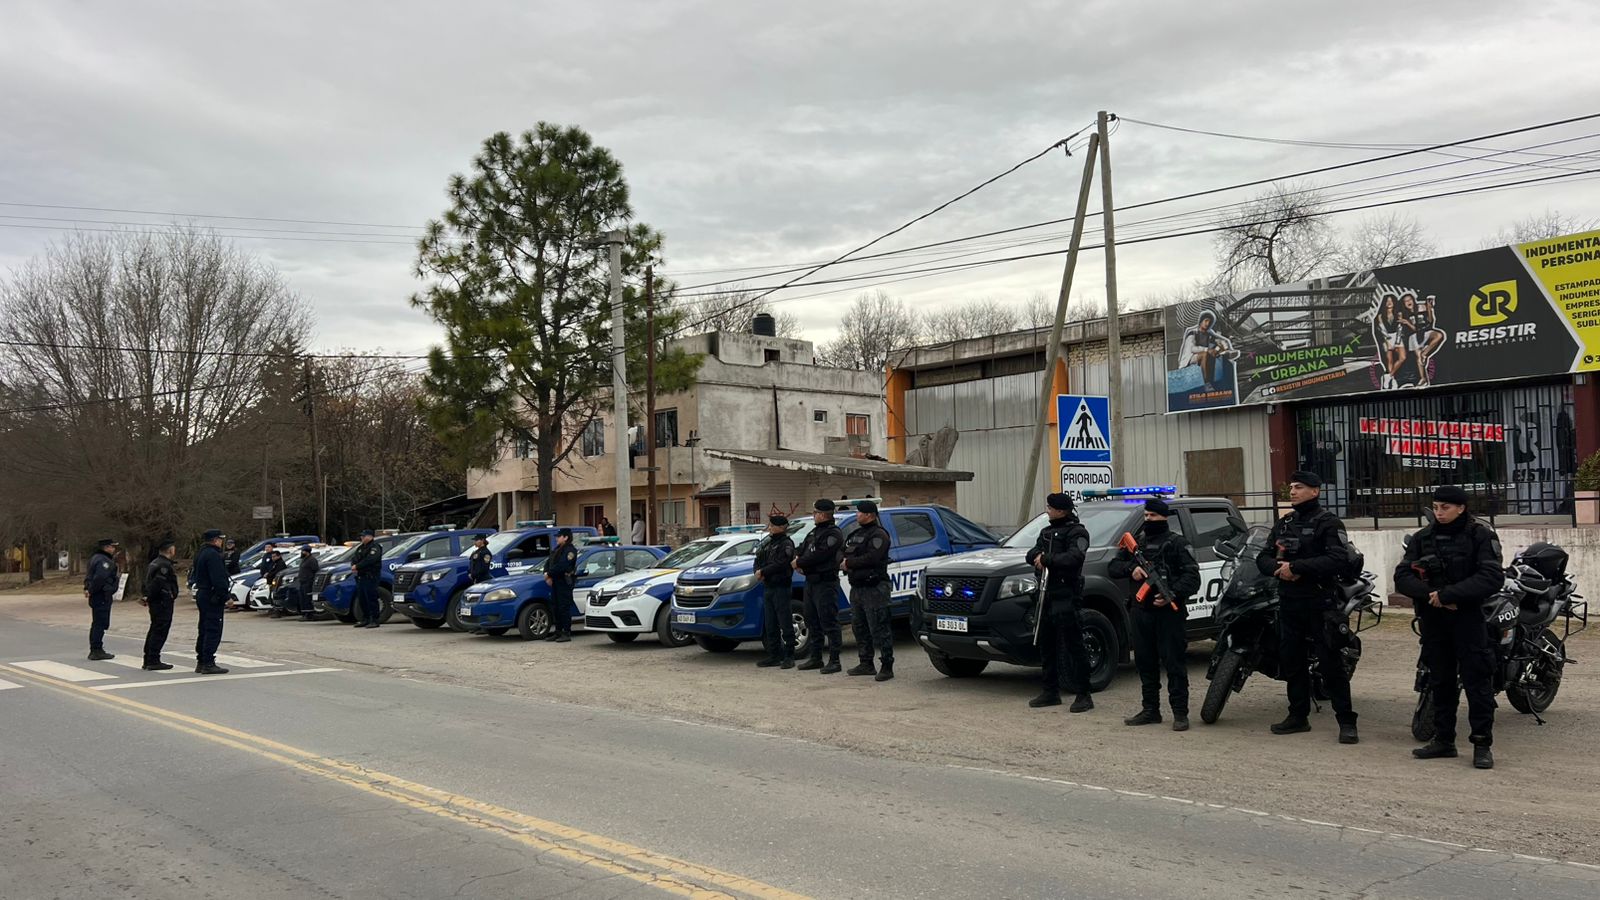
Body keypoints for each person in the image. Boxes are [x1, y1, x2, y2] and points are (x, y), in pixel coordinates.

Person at [1395, 486, 1504, 770]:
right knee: (1440, 682)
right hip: (1434, 620)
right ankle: (1444, 740)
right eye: (1436, 507)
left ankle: (1482, 744)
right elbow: (1402, 576)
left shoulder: (1480, 535)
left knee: (1477, 683)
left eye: (1445, 507)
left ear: (1461, 508)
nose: (1439, 513)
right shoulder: (1423, 537)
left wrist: (1450, 595)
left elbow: (1491, 577)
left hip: (1467, 619)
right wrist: (1432, 595)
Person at [1258, 470, 1359, 744]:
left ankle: (1346, 721)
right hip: (1289, 602)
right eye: (1291, 487)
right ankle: (1298, 716)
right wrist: (1278, 569)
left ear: (1315, 491)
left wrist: (1297, 568)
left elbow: (1337, 559)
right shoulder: (1285, 523)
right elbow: (1263, 557)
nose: (1292, 491)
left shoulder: (1329, 523)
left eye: (1299, 487)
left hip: (1320, 602)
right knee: (1292, 662)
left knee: (1330, 664)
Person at [1108, 498, 1201, 730]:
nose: (1149, 519)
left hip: (1169, 615)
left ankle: (1180, 713)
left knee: (1174, 664)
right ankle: (1150, 710)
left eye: (1153, 516)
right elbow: (1113, 567)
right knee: (1145, 663)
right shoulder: (1136, 544)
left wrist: (1172, 594)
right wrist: (1132, 568)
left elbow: (1192, 578)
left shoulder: (1177, 544)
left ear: (1164, 517)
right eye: (1146, 515)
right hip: (1141, 613)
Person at [1026, 493, 1095, 712]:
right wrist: (1037, 557)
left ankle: (1084, 694)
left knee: (1074, 645)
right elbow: (1032, 553)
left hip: (1066, 595)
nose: (1047, 510)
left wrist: (1047, 559)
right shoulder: (1046, 532)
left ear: (1061, 510)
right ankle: (1050, 691)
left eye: (1050, 507)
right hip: (1046, 595)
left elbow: (1075, 557)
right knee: (1046, 645)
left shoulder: (1077, 532)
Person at [843, 500, 895, 682]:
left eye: (859, 512)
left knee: (879, 628)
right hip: (857, 587)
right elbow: (844, 552)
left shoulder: (879, 535)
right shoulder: (856, 534)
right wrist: (844, 562)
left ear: (869, 515)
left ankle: (887, 666)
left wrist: (849, 563)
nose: (856, 515)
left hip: (875, 587)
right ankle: (866, 663)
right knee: (859, 627)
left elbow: (872, 558)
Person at [793, 499, 846, 673]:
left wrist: (800, 562)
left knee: (829, 621)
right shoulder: (814, 532)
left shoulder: (833, 534)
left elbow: (820, 555)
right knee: (811, 620)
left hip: (826, 582)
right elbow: (802, 549)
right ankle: (816, 658)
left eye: (815, 513)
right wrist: (798, 559)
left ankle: (835, 660)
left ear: (823, 515)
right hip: (811, 582)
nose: (813, 515)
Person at [754, 515, 797, 669]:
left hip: (781, 587)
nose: (770, 528)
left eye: (772, 526)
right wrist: (758, 571)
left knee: (785, 622)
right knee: (770, 623)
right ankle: (774, 655)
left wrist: (763, 571)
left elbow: (781, 563)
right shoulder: (768, 543)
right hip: (768, 587)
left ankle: (789, 656)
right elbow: (758, 559)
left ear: (781, 527)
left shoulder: (786, 544)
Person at [192, 530, 231, 675]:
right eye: (220, 539)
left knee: (204, 627)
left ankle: (201, 660)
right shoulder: (213, 555)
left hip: (202, 593)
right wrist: (226, 596)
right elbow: (218, 578)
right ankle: (208, 662)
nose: (221, 542)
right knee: (213, 628)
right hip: (211, 594)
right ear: (215, 540)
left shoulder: (201, 553)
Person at [1178, 311, 1240, 392]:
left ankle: (1226, 354)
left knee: (1217, 346)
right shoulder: (1192, 332)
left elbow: (1222, 339)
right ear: (1201, 321)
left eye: (1209, 322)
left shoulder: (1208, 333)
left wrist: (1225, 346)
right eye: (1206, 321)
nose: (1207, 324)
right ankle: (1207, 383)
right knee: (1205, 354)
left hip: (1205, 354)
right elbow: (1192, 349)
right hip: (1190, 358)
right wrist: (1207, 350)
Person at [141, 540, 179, 670]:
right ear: (170, 550)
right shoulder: (164, 565)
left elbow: (146, 582)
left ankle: (148, 659)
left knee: (155, 628)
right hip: (162, 601)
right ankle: (153, 659)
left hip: (157, 601)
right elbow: (157, 584)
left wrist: (146, 595)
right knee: (160, 630)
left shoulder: (154, 562)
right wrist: (150, 596)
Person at [84, 538, 121, 661]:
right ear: (106, 548)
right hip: (101, 595)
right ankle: (96, 649)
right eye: (112, 546)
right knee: (100, 623)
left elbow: (89, 576)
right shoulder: (103, 561)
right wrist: (94, 590)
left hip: (99, 594)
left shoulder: (95, 558)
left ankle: (96, 648)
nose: (114, 549)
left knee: (98, 622)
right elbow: (99, 577)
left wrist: (87, 588)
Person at [543, 528, 579, 642]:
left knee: (564, 607)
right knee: (556, 607)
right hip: (556, 581)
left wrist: (549, 574)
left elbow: (562, 565)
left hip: (564, 581)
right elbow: (548, 562)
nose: (557, 538)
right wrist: (546, 573)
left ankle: (566, 632)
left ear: (566, 537)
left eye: (559, 536)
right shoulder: (557, 549)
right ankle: (558, 631)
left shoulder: (570, 551)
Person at [351, 530, 384, 629]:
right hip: (361, 576)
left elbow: (370, 560)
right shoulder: (361, 547)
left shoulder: (375, 547)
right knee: (362, 598)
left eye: (363, 536)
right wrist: (354, 565)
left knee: (371, 598)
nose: (361, 538)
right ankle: (365, 619)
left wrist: (358, 566)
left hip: (371, 576)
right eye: (361, 536)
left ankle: (374, 620)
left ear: (370, 537)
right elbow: (355, 558)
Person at [294, 544, 321, 621]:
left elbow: (315, 570)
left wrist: (310, 579)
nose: (301, 552)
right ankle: (304, 613)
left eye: (302, 551)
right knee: (302, 598)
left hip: (308, 582)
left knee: (307, 598)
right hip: (302, 582)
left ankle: (309, 615)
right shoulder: (304, 559)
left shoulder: (312, 560)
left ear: (306, 551)